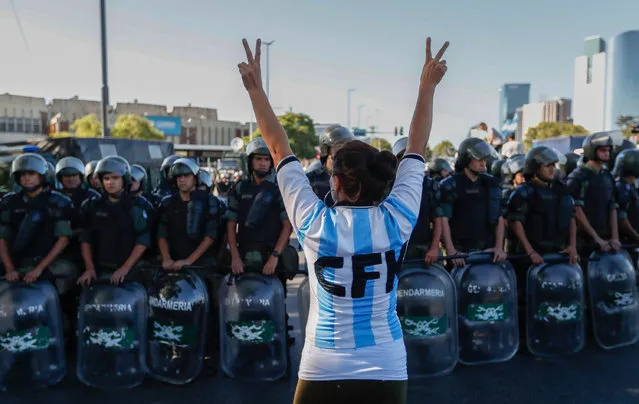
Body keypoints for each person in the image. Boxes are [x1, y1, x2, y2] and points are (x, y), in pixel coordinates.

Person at [237, 36, 448, 403]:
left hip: (325, 363)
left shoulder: (314, 222)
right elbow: (416, 145)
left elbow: (277, 146)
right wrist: (427, 86)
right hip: (386, 360)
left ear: (334, 181)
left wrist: (255, 89)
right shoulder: (398, 217)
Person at [506, 147, 578, 348]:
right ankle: (526, 340)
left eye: (553, 165)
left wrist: (572, 246)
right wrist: (530, 251)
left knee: (557, 298)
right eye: (547, 165)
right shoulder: (523, 193)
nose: (552, 169)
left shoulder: (561, 190)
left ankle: (555, 334)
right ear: (535, 167)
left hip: (557, 254)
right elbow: (516, 223)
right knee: (526, 300)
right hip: (529, 258)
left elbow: (572, 219)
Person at [0, 154, 76, 292]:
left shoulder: (59, 202)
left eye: (31, 174)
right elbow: (2, 238)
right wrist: (9, 268)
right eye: (22, 174)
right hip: (17, 261)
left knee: (68, 272)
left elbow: (63, 240)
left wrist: (39, 269)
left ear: (42, 176)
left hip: (50, 262)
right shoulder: (9, 203)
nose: (27, 178)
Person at [225, 137, 297, 281]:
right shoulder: (239, 188)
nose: (263, 163)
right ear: (250, 161)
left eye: (266, 159)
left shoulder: (279, 189)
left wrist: (274, 257)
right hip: (244, 256)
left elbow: (287, 226)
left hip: (272, 259)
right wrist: (235, 257)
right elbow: (231, 224)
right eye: (258, 159)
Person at [77, 156, 152, 285]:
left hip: (132, 272)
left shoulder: (138, 206)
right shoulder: (91, 206)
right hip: (100, 271)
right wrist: (89, 269)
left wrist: (125, 268)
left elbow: (143, 240)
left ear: (124, 179)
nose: (110, 182)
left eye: (115, 178)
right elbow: (85, 239)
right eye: (106, 178)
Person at [439, 138, 507, 267]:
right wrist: (451, 251)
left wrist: (499, 247)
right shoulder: (449, 185)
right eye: (479, 159)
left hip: (488, 254)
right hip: (460, 256)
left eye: (485, 159)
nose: (483, 163)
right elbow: (443, 220)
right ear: (466, 159)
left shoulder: (491, 184)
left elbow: (499, 217)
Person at [157, 158, 223, 270]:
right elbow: (161, 234)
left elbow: (210, 236)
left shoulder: (209, 201)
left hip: (202, 265)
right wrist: (166, 258)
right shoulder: (167, 203)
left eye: (186, 176)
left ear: (195, 178)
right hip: (173, 264)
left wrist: (188, 261)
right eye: (179, 176)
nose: (182, 179)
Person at [567, 132, 621, 265]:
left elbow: (613, 206)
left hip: (605, 239)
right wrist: (597, 239)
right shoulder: (578, 177)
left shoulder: (607, 176)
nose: (607, 153)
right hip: (584, 242)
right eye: (603, 150)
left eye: (608, 150)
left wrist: (615, 237)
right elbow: (576, 210)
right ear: (591, 151)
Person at [392, 137, 442, 263]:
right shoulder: (386, 185)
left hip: (424, 248)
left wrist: (434, 247)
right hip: (396, 249)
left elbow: (438, 218)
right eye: (402, 157)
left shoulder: (430, 186)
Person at [306, 125, 355, 206]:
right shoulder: (310, 180)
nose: (344, 149)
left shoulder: (357, 177)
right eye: (339, 145)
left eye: (348, 145)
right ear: (326, 148)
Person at [613, 149, 639, 244]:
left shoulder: (630, 186)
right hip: (626, 242)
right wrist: (636, 236)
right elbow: (622, 220)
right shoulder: (622, 188)